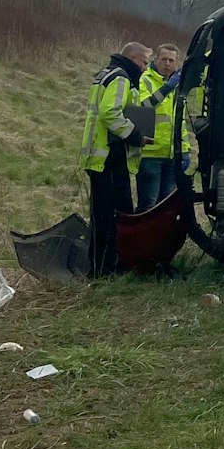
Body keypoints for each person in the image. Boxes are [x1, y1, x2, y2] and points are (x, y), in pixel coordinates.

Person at [82, 41, 149, 274]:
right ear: (132, 58)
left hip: (98, 156)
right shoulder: (121, 77)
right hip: (110, 157)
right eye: (144, 62)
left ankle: (99, 267)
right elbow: (110, 113)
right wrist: (135, 135)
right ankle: (111, 268)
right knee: (115, 215)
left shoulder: (105, 74)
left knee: (100, 215)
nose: (145, 68)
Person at [133, 43, 182, 210]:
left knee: (166, 208)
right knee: (148, 206)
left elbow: (179, 121)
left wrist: (186, 150)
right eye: (164, 59)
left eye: (171, 60)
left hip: (171, 155)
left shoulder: (178, 85)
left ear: (177, 63)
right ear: (156, 60)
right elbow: (144, 106)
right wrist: (167, 88)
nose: (167, 64)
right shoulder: (144, 79)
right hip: (149, 154)